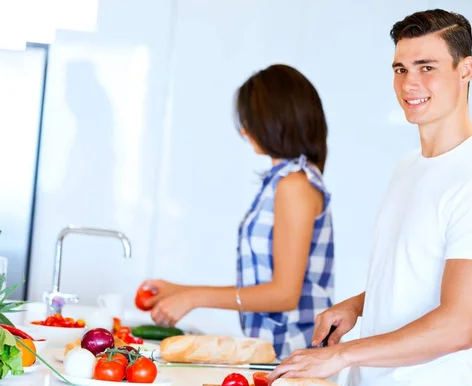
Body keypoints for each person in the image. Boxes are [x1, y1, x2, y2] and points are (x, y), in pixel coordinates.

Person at [269, 9, 472, 386]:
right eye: (401, 69)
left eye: (427, 67)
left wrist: (340, 356)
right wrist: (357, 307)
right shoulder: (409, 167)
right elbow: (417, 278)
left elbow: (458, 325)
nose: (410, 83)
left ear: (465, 70)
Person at [139, 64, 335, 359]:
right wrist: (181, 291)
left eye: (251, 121)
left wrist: (194, 298)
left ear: (277, 121)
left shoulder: (295, 184)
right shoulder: (284, 180)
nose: (244, 131)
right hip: (278, 353)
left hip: (294, 357)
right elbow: (267, 285)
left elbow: (284, 294)